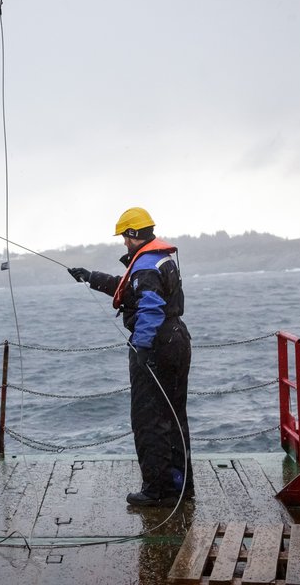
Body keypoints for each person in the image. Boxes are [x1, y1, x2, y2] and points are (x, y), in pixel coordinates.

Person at [67, 207, 193, 507]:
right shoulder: (159, 259)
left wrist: (143, 348)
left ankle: (156, 490)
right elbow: (130, 291)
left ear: (134, 234)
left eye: (125, 236)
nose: (123, 242)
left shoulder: (146, 266)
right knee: (174, 416)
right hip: (177, 339)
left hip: (157, 344)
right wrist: (90, 277)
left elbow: (149, 307)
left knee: (148, 419)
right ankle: (179, 484)